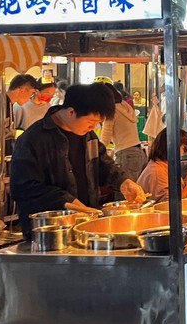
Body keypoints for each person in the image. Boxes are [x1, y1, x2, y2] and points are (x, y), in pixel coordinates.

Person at [10, 84, 144, 237]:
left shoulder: (88, 136)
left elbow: (103, 165)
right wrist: (67, 201)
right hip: (50, 232)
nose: (93, 127)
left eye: (97, 122)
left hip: (85, 227)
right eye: (91, 121)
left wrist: (124, 182)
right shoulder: (32, 140)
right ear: (71, 112)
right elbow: (23, 188)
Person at [136, 129, 187, 203]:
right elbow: (169, 205)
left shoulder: (162, 165)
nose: (183, 153)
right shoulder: (157, 171)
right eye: (183, 148)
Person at [100, 83, 147, 182]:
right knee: (135, 190)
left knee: (124, 191)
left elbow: (105, 137)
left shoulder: (111, 111)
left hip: (126, 155)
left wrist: (96, 152)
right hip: (138, 152)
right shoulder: (125, 106)